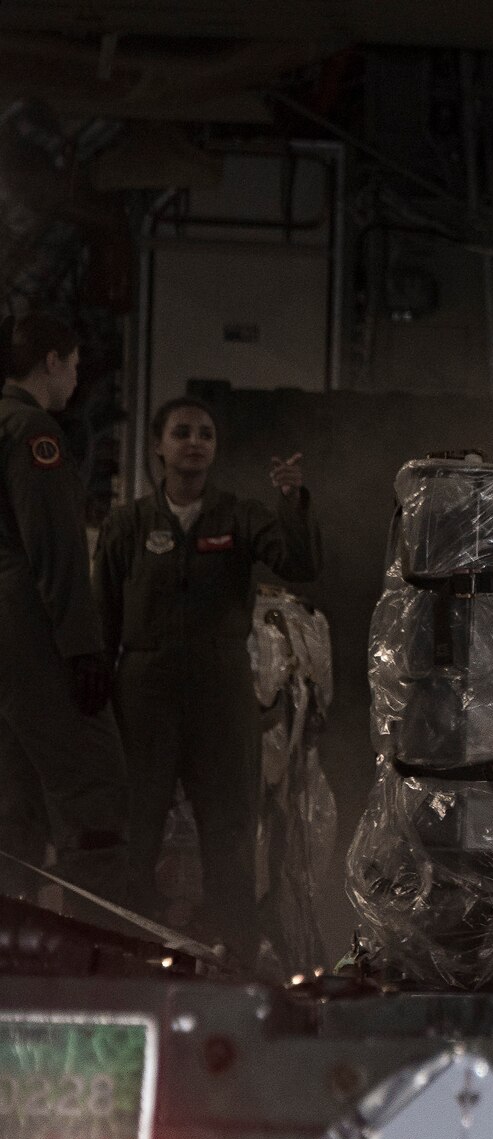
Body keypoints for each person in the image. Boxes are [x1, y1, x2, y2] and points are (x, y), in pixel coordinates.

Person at [95, 396, 321, 961]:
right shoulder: (129, 523)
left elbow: (299, 564)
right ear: (158, 446)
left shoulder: (238, 515)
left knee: (230, 827)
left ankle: (235, 949)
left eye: (205, 434)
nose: (194, 442)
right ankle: (129, 947)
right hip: (144, 685)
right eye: (182, 432)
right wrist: (94, 688)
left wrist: (291, 501)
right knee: (136, 824)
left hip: (219, 686)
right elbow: (103, 615)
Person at [0, 310, 135, 918]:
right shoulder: (33, 432)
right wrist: (83, 650)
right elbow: (54, 550)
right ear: (51, 361)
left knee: (14, 800)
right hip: (30, 634)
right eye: (75, 366)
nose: (77, 381)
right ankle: (96, 951)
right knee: (93, 788)